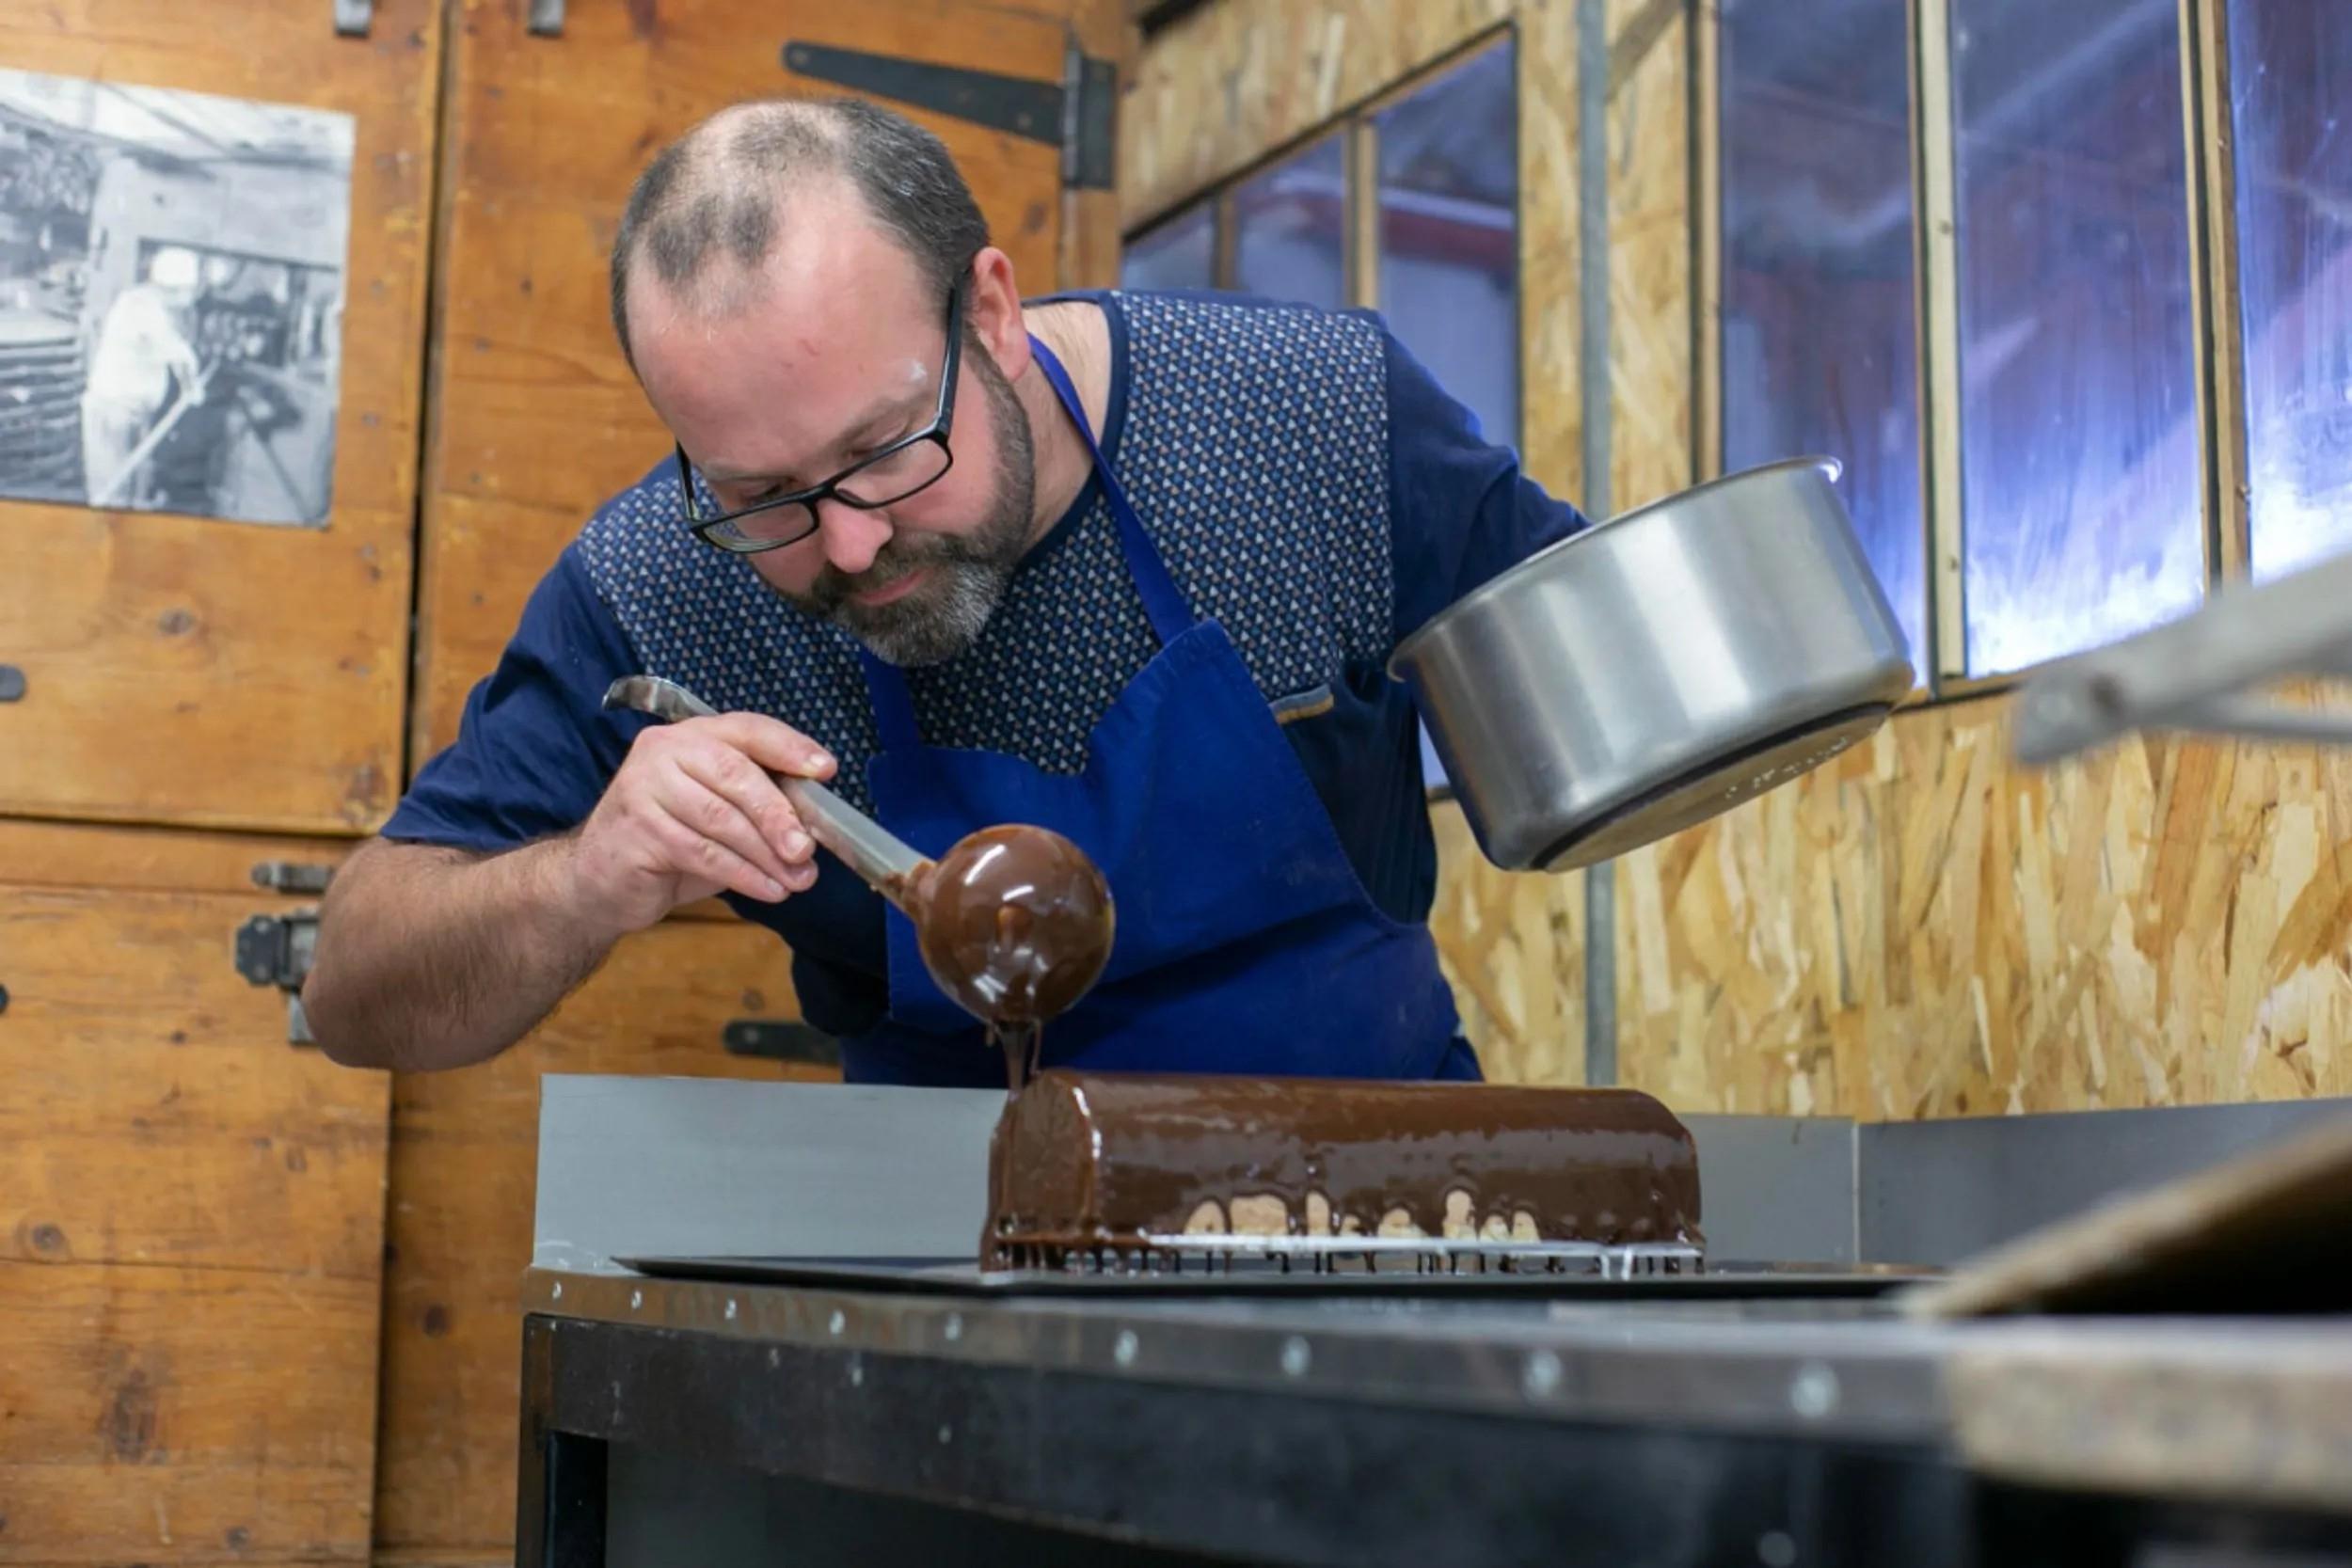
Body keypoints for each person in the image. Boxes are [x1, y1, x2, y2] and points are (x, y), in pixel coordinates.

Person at [300, 96, 1592, 1086]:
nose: (851, 545)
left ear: (990, 312)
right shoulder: (662, 584)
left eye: (880, 451)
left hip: (1380, 1222)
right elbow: (353, 985)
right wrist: (588, 872)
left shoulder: (1308, 422)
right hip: (950, 1263)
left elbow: (1612, 682)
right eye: (765, 494)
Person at [80, 244, 205, 508]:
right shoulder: (138, 306)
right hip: (112, 411)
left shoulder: (165, 309)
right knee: (111, 493)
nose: (191, 297)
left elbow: (178, 356)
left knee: (136, 486)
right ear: (170, 288)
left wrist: (187, 385)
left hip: (136, 411)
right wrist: (192, 386)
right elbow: (178, 352)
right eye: (189, 290)